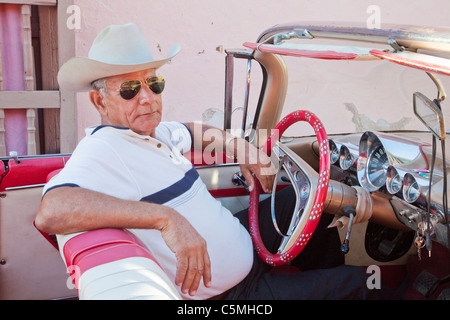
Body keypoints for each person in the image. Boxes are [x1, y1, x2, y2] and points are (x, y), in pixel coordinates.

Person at [36, 23, 391, 300]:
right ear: (99, 101)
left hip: (245, 242)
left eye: (154, 84)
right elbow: (52, 211)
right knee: (362, 284)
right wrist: (166, 219)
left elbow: (195, 131)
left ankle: (316, 276)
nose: (146, 98)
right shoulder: (105, 149)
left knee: (317, 200)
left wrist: (242, 148)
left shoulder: (151, 132)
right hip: (230, 294)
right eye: (129, 89)